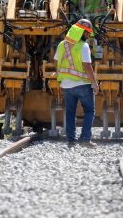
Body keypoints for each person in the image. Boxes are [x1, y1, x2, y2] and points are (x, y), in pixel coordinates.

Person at [54, 19, 99, 148]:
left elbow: (56, 63)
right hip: (82, 85)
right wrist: (95, 83)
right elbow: (87, 67)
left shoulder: (61, 44)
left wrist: (61, 78)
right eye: (87, 33)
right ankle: (85, 139)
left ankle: (71, 140)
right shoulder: (83, 46)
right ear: (81, 32)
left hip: (67, 86)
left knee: (70, 112)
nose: (88, 36)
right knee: (89, 111)